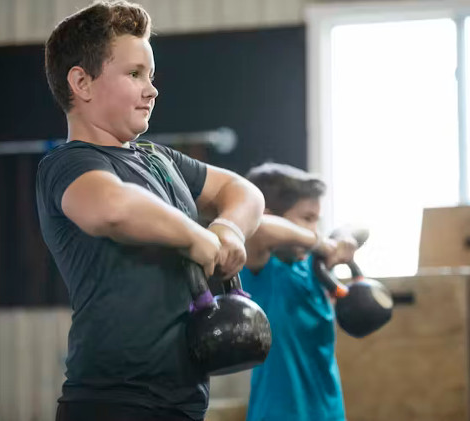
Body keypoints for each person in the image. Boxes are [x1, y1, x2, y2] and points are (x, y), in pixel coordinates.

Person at [36, 2, 264, 420]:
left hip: (183, 404)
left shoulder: (159, 159)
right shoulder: (68, 164)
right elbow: (113, 208)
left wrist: (228, 229)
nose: (152, 89)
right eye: (134, 74)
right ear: (82, 82)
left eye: (151, 76)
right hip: (113, 403)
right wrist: (197, 237)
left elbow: (242, 189)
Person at [241, 162, 361, 421]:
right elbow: (259, 226)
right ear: (273, 215)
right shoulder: (261, 269)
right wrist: (319, 242)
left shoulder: (313, 265)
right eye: (307, 219)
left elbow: (362, 228)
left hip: (330, 414)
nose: (314, 230)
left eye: (316, 220)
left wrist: (344, 239)